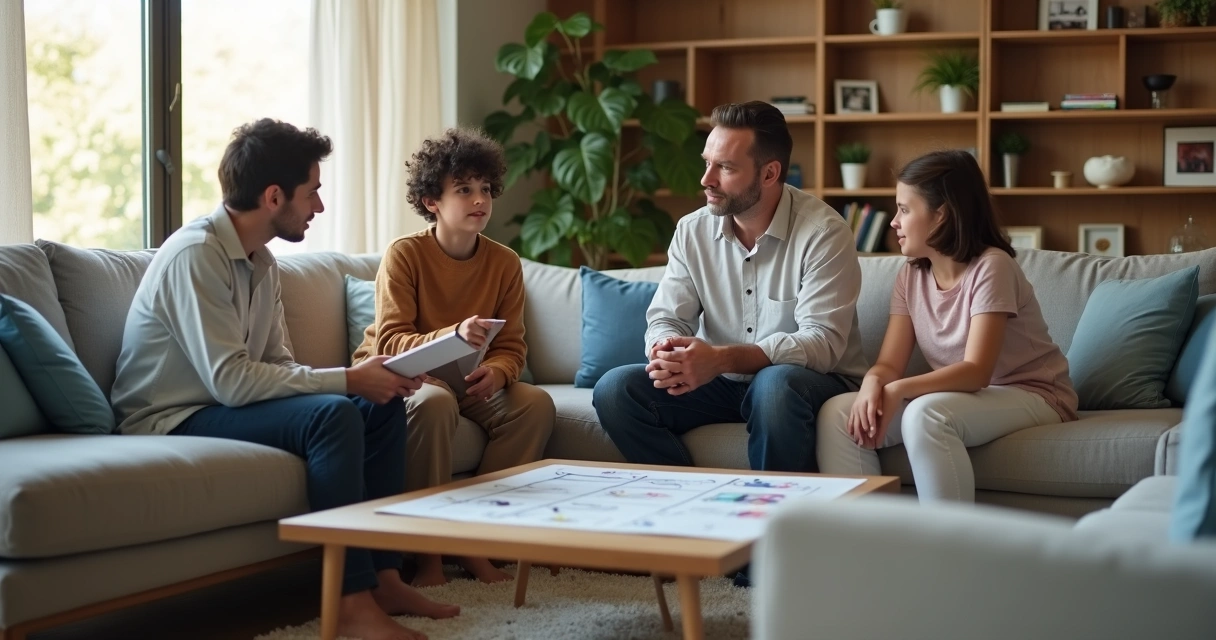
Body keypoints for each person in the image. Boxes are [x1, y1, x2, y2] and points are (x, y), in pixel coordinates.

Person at [111, 119, 458, 640]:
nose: (319, 207)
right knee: (336, 412)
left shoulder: (263, 261)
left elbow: (277, 364)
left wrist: (368, 380)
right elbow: (230, 381)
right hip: (172, 415)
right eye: (313, 192)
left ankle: (384, 577)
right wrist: (346, 380)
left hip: (221, 403)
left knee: (381, 403)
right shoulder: (196, 255)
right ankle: (349, 603)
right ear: (274, 196)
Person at [593, 100, 869, 476]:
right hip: (721, 384)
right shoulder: (692, 231)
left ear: (769, 173)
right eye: (707, 162)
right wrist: (668, 351)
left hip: (806, 384)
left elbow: (822, 343)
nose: (706, 179)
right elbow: (666, 317)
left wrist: (720, 358)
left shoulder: (824, 233)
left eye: (724, 167)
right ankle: (691, 503)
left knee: (773, 386)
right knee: (615, 389)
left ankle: (774, 522)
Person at [351, 127, 556, 587]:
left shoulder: (504, 262)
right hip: (405, 376)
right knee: (434, 402)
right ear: (432, 201)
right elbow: (389, 341)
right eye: (463, 189)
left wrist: (499, 373)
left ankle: (475, 539)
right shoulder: (404, 254)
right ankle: (428, 553)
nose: (479, 199)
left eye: (485, 189)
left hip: (468, 380)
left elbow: (512, 345)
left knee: (534, 405)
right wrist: (455, 334)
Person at [816, 149, 1079, 503]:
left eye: (904, 210)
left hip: (1033, 394)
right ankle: (870, 541)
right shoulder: (910, 274)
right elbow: (890, 364)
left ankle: (944, 550)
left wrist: (900, 390)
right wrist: (875, 383)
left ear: (941, 215)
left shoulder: (992, 267)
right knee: (839, 414)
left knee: (926, 414)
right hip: (967, 397)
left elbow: (976, 372)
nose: (894, 221)